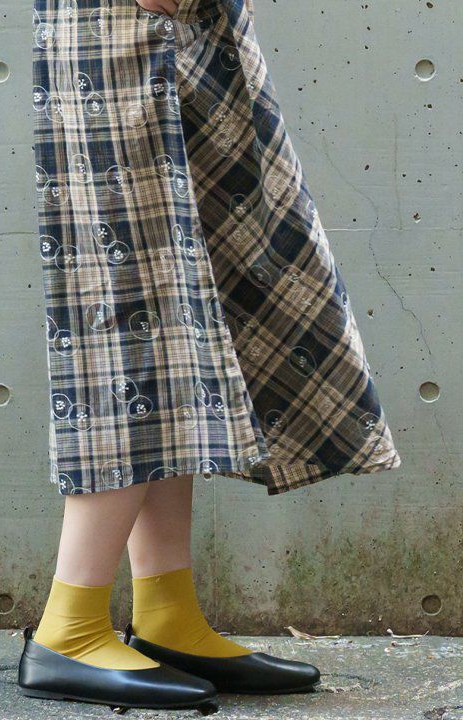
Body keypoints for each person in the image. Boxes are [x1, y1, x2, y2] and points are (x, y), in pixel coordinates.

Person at [21, 0, 401, 710]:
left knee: (182, 323)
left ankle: (168, 613)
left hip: (203, 25)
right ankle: (67, 630)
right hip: (114, 25)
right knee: (129, 322)